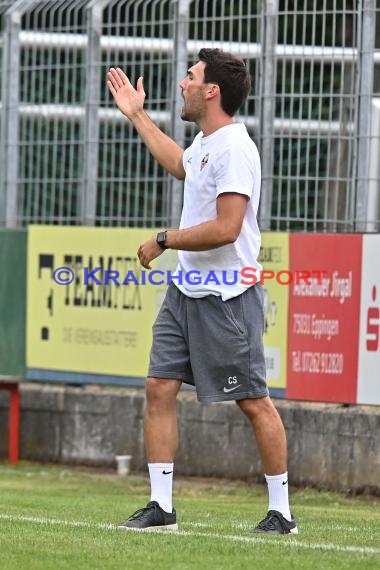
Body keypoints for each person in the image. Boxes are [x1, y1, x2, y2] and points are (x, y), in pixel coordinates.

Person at [107, 48, 298, 535]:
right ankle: (161, 507)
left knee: (253, 400)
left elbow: (228, 228)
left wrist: (165, 238)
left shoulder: (235, 147)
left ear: (211, 91)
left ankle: (282, 513)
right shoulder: (206, 142)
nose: (183, 83)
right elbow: (182, 165)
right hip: (185, 290)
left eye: (190, 77)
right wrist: (137, 116)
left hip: (228, 298)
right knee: (158, 387)